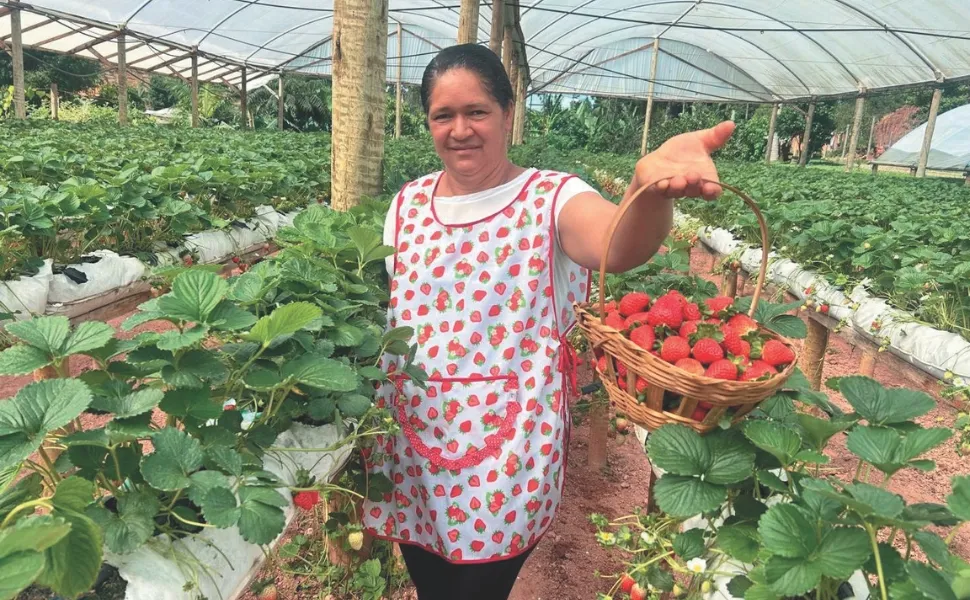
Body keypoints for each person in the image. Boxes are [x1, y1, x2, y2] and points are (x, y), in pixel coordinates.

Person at [362, 43, 734, 600]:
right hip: (415, 441)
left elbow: (617, 244)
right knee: (432, 584)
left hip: (508, 449)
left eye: (477, 112)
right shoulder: (407, 205)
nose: (460, 129)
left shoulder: (551, 197)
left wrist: (647, 192)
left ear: (509, 114)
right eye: (444, 115)